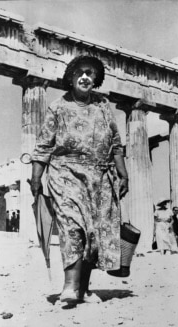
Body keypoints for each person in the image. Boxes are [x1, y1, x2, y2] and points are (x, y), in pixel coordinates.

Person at [30, 55, 129, 303]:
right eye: (80, 73)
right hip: (66, 173)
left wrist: (123, 173)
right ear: (71, 77)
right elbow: (43, 146)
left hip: (100, 177)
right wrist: (36, 177)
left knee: (93, 234)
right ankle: (70, 287)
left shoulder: (104, 106)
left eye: (90, 73)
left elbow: (116, 145)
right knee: (72, 225)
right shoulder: (58, 107)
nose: (85, 77)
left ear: (96, 79)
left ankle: (84, 289)